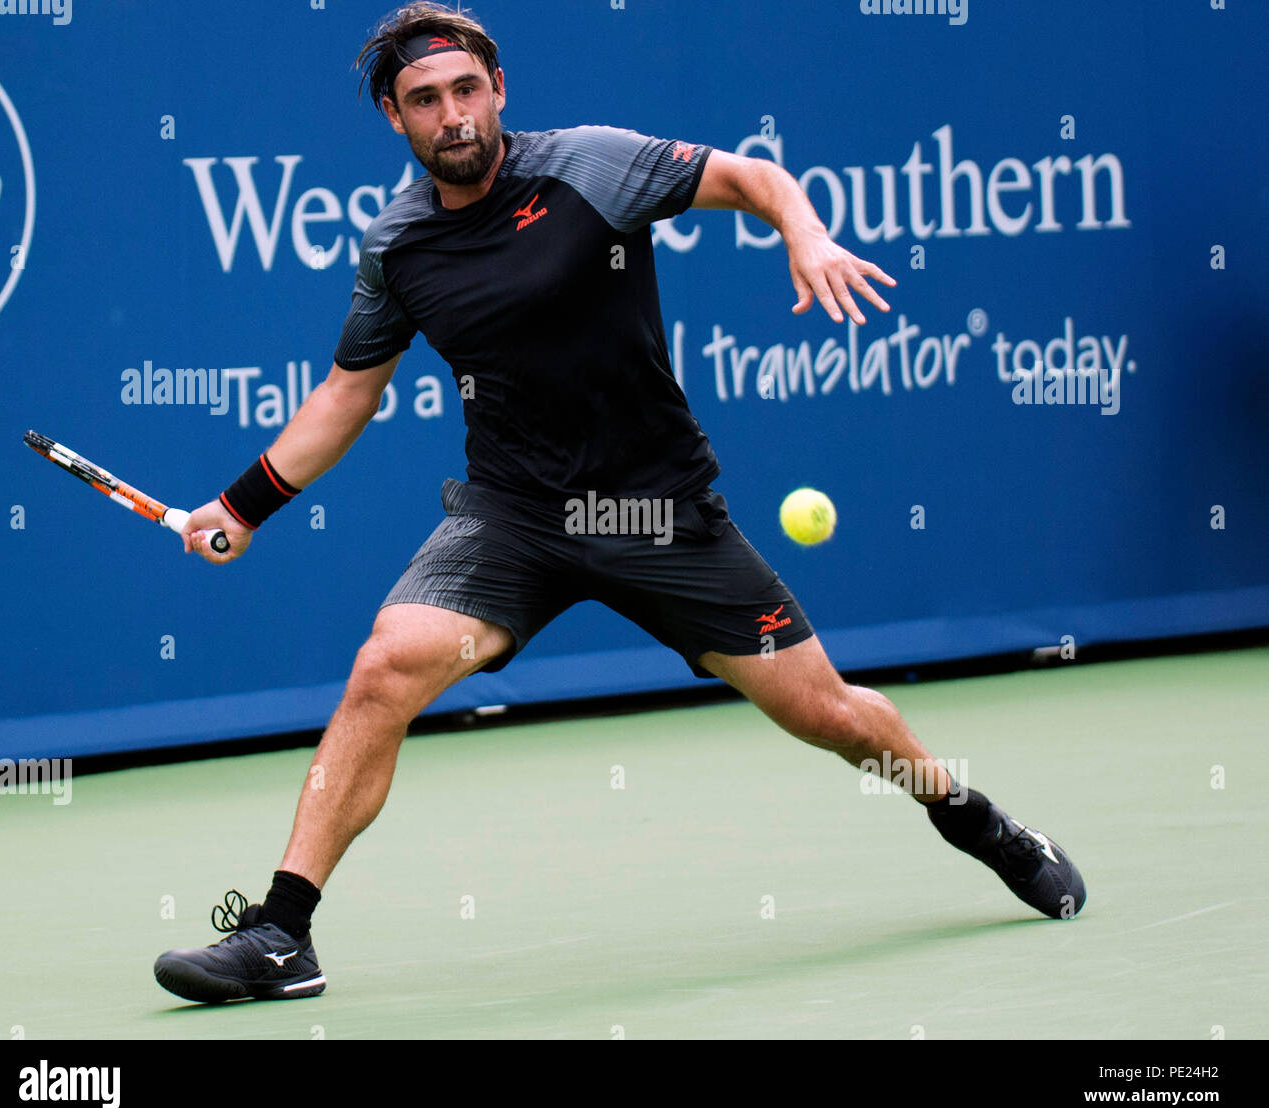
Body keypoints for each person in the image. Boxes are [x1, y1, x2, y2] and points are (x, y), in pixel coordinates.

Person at [153, 2, 1084, 1005]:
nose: (453, 114)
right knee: (384, 666)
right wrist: (242, 506)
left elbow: (751, 176)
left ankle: (970, 815)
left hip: (657, 513)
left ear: (498, 89)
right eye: (425, 99)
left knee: (831, 716)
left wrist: (802, 234)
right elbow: (347, 395)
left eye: (468, 89)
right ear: (395, 117)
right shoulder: (398, 248)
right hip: (511, 517)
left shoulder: (591, 167)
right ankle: (283, 935)